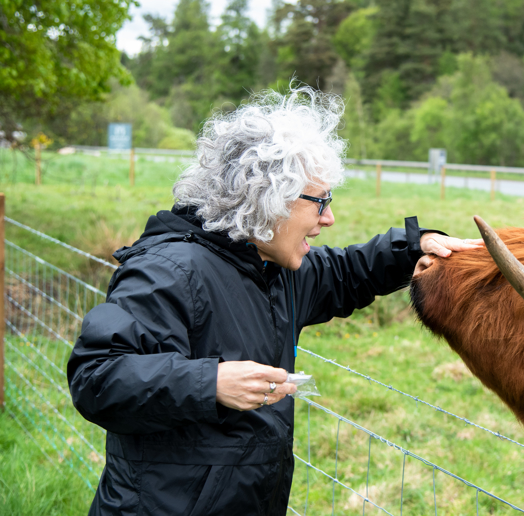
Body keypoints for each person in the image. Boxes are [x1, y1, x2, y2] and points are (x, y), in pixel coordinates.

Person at [67, 87, 480, 515]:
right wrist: (211, 382)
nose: (328, 218)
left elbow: (346, 271)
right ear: (268, 195)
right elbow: (96, 377)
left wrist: (415, 246)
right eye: (319, 201)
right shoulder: (169, 269)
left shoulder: (274, 269)